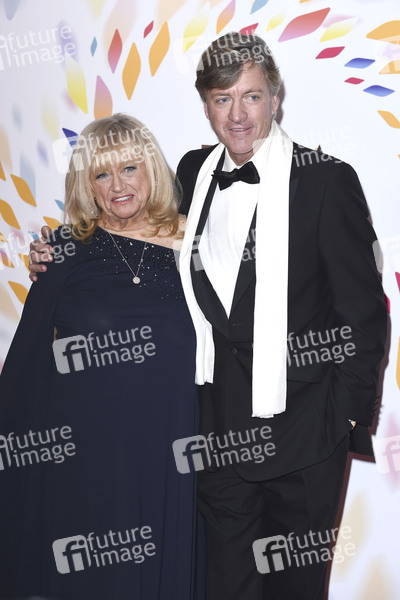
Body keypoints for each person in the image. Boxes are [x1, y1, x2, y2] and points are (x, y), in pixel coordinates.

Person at [29, 33, 388, 600]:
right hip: (215, 438)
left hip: (303, 434)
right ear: (206, 107)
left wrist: (342, 419)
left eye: (251, 96)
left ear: (275, 99)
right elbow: (129, 214)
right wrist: (57, 248)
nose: (237, 114)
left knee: (294, 590)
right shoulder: (194, 173)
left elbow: (364, 313)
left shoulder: (325, 180)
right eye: (223, 99)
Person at [0, 113, 200, 600]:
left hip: (174, 446)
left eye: (129, 168)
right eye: (102, 174)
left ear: (151, 169)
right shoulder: (65, 250)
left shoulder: (197, 242)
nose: (118, 186)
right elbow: (27, 368)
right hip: (90, 459)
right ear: (87, 185)